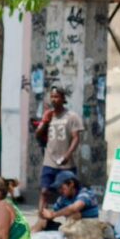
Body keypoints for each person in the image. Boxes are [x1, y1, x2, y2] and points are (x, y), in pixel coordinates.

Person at [36, 86, 85, 219]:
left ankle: (71, 221)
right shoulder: (48, 115)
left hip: (66, 164)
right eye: (52, 97)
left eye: (56, 97)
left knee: (70, 194)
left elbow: (76, 138)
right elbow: (38, 134)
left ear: (63, 99)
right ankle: (42, 220)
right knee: (44, 191)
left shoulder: (72, 116)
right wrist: (45, 121)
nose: (54, 99)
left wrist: (67, 155)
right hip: (49, 161)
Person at [32, 170, 100, 232]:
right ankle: (30, 237)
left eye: (62, 188)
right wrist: (45, 215)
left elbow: (75, 208)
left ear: (71, 184)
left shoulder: (85, 193)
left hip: (89, 229)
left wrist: (53, 214)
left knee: (75, 214)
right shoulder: (63, 198)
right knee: (43, 221)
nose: (60, 191)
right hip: (71, 229)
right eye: (58, 189)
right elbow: (52, 212)